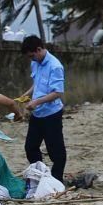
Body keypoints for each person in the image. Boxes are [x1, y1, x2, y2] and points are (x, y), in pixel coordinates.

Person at [20, 35, 67, 182]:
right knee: (30, 147)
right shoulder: (35, 63)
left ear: (39, 49)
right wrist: (26, 95)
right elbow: (37, 83)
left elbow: (58, 92)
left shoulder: (55, 66)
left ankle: (57, 179)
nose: (31, 59)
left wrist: (37, 102)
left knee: (56, 151)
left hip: (52, 114)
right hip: (37, 114)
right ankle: (41, 175)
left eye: (32, 55)